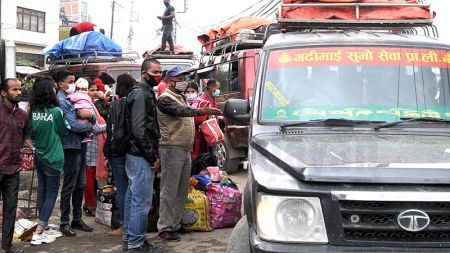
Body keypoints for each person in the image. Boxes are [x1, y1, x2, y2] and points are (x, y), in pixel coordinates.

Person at [157, 67, 221, 241]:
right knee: (169, 190)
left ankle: (175, 224)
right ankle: (164, 227)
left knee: (182, 189)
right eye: (180, 78)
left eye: (185, 77)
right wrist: (203, 111)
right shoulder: (165, 99)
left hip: (184, 148)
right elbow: (181, 112)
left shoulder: (180, 97)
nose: (184, 81)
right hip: (171, 148)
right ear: (170, 81)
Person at [123, 59, 163, 252]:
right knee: (141, 201)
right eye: (155, 72)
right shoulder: (141, 94)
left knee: (133, 198)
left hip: (136, 153)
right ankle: (136, 243)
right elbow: (139, 130)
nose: (159, 76)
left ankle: (130, 239)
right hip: (139, 155)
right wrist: (151, 156)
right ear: (144, 73)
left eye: (160, 72)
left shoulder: (143, 92)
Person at [29, 76, 69, 245]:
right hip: (54, 156)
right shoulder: (56, 111)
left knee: (43, 191)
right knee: (52, 193)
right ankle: (39, 231)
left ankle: (42, 225)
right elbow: (64, 130)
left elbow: (30, 133)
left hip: (39, 154)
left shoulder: (32, 111)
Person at [56, 70, 95, 237]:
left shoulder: (73, 99)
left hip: (80, 144)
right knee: (69, 186)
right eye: (71, 81)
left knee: (80, 185)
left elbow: (90, 116)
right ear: (61, 84)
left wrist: (91, 117)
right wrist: (90, 126)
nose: (74, 84)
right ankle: (64, 221)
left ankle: (77, 219)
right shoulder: (62, 102)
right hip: (70, 146)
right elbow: (72, 125)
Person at [0, 78, 31, 253]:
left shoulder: (23, 116)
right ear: (4, 93)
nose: (18, 92)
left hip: (13, 169)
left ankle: (6, 246)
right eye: (14, 90)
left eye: (20, 89)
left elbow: (25, 136)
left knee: (10, 208)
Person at [103, 73, 136, 236]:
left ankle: (124, 226)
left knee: (122, 189)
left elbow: (110, 131)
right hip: (133, 151)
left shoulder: (114, 105)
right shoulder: (134, 102)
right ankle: (134, 227)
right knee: (135, 189)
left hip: (117, 152)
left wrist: (107, 155)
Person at [83, 80, 107, 217]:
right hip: (90, 145)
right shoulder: (86, 105)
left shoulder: (91, 104)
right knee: (89, 175)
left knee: (90, 176)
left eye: (94, 90)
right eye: (91, 90)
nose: (93, 92)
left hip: (93, 144)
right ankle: (89, 204)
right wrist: (109, 126)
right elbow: (96, 128)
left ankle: (90, 203)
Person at [184, 82, 210, 161]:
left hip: (198, 135)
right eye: (187, 92)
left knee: (196, 156)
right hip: (186, 135)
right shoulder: (183, 103)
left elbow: (200, 119)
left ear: (197, 92)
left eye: (193, 92)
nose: (190, 94)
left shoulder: (202, 103)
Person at [67, 77, 95, 143]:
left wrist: (68, 97)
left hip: (80, 110)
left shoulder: (76, 94)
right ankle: (88, 134)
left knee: (80, 123)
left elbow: (70, 98)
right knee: (86, 122)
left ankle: (86, 136)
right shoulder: (87, 95)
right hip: (89, 110)